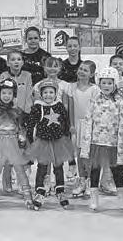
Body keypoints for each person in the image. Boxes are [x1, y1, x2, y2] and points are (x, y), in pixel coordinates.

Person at [79, 67, 123, 211]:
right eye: (104, 83)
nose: (106, 86)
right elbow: (88, 121)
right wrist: (86, 143)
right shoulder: (94, 101)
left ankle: (122, 198)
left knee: (117, 172)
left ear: (115, 84)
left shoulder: (121, 102)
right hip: (97, 142)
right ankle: (94, 199)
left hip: (114, 143)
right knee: (95, 171)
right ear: (99, 83)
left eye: (109, 83)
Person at [25, 80, 74, 210]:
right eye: (45, 92)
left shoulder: (59, 106)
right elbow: (31, 124)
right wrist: (31, 140)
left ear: (55, 93)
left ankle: (60, 191)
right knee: (42, 167)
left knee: (58, 167)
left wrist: (66, 136)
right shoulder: (37, 107)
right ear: (41, 94)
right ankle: (40, 192)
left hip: (58, 141)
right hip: (43, 142)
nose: (48, 95)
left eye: (51, 92)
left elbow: (65, 122)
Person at [0, 79, 33, 208]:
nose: (6, 96)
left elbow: (21, 127)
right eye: (4, 93)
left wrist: (22, 141)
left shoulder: (17, 111)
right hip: (0, 142)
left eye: (9, 93)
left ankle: (27, 194)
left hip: (13, 142)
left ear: (14, 95)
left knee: (19, 168)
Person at [66, 60, 100, 199]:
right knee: (79, 155)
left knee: (88, 156)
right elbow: (70, 107)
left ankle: (90, 182)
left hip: (90, 125)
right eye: (80, 68)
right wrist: (71, 125)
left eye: (85, 70)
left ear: (91, 74)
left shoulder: (95, 89)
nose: (81, 71)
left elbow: (97, 109)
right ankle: (81, 181)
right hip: (76, 124)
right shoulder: (71, 87)